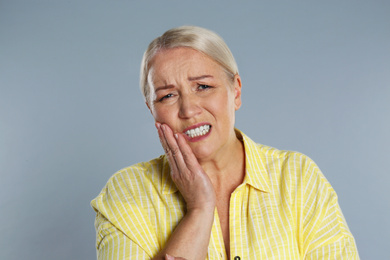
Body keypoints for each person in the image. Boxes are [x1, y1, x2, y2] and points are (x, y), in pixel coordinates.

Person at [91, 25, 359, 260]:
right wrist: (199, 209)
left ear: (236, 92)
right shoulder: (126, 194)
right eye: (168, 96)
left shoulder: (299, 177)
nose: (188, 110)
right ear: (152, 110)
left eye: (203, 87)